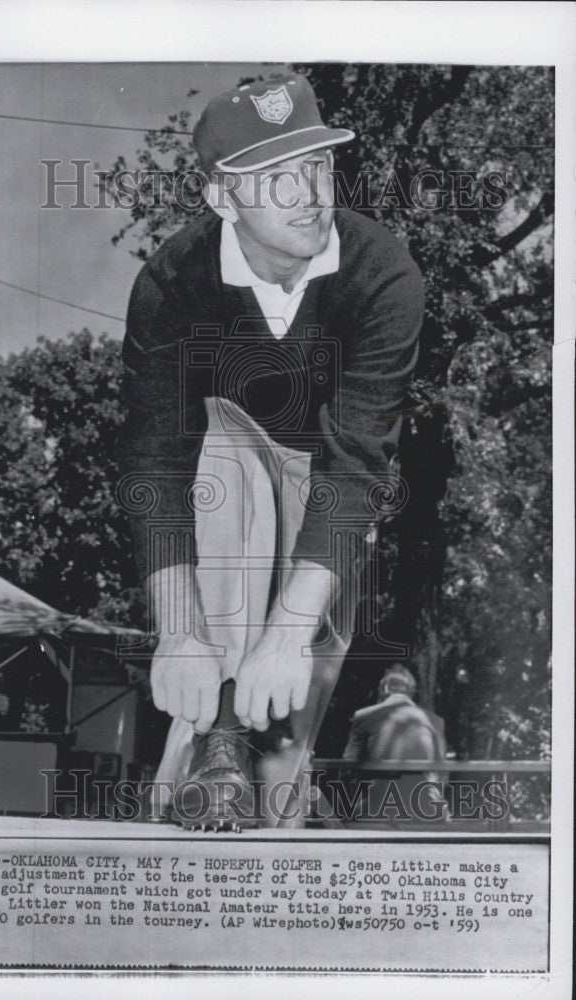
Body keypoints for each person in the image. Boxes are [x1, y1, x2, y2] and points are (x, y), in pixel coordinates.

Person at [117, 76, 424, 829]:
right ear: (224, 199)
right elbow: (155, 462)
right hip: (227, 457)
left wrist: (287, 635)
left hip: (332, 469)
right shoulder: (171, 284)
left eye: (316, 167)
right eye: (275, 178)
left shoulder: (383, 274)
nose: (308, 193)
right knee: (227, 458)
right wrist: (180, 631)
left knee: (292, 711)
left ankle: (277, 771)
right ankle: (213, 744)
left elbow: (355, 467)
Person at [342, 664, 448, 824]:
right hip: (425, 810)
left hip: (374, 809)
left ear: (383, 689)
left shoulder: (364, 716)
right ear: (411, 692)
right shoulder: (434, 721)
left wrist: (351, 804)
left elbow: (347, 766)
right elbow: (442, 771)